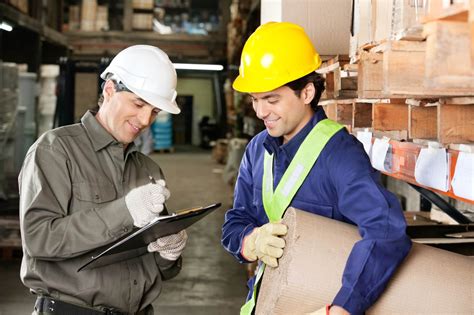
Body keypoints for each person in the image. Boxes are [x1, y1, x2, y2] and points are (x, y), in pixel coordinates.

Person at [221, 22, 412, 315]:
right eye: (255, 100)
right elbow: (235, 223)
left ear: (307, 92)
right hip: (268, 303)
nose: (260, 112)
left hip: (320, 305)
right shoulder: (257, 150)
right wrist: (251, 241)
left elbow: (385, 230)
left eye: (271, 99)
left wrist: (344, 307)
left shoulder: (339, 154)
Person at [19, 45, 188, 315]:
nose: (145, 120)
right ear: (109, 90)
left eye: (155, 111)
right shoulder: (55, 150)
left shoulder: (148, 169)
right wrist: (126, 210)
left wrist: (169, 254)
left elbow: (155, 268)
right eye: (138, 103)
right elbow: (39, 239)